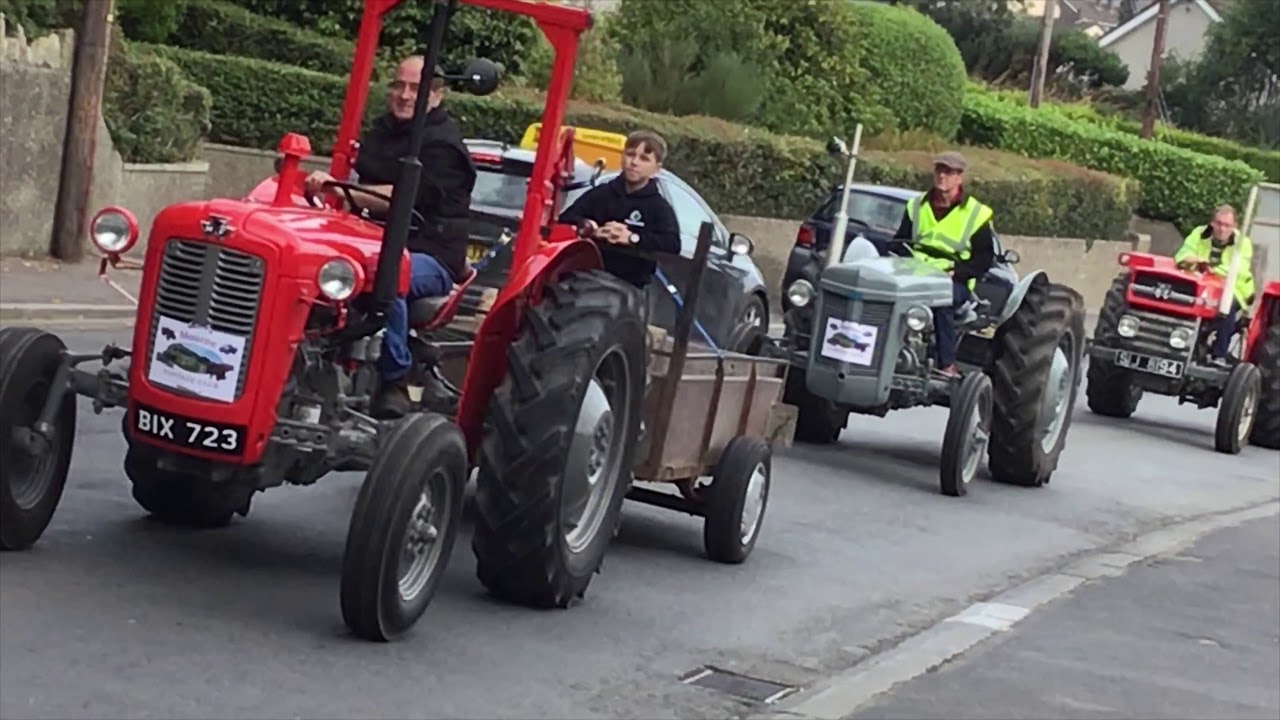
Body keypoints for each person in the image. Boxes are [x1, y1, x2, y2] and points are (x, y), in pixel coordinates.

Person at [304, 55, 477, 419]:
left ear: (437, 95)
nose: (404, 95)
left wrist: (338, 189)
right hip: (368, 240)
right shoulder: (382, 132)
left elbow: (401, 197)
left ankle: (396, 375)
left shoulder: (444, 147)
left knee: (386, 276)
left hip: (430, 253)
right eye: (398, 85)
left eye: (415, 88)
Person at [892, 151, 997, 377]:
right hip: (915, 275)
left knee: (942, 302)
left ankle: (946, 363)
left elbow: (984, 258)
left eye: (948, 172)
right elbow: (899, 243)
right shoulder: (916, 206)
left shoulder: (975, 214)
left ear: (959, 178)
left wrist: (957, 273)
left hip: (952, 281)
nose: (942, 176)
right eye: (939, 170)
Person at [557, 130, 682, 292]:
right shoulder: (601, 194)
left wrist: (632, 238)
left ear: (657, 168)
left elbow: (672, 244)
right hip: (584, 277)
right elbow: (565, 219)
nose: (634, 162)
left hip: (630, 286)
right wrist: (592, 229)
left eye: (644, 159)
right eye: (630, 155)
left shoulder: (659, 207)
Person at [1174, 204, 1256, 361]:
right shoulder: (1199, 233)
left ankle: (1219, 355)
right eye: (1219, 223)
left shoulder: (1242, 243)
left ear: (1234, 226)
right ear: (1212, 223)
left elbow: (1238, 267)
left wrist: (1212, 269)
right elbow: (1183, 254)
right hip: (1202, 285)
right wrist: (1190, 259)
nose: (1222, 229)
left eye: (1227, 225)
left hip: (1234, 288)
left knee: (1227, 306)